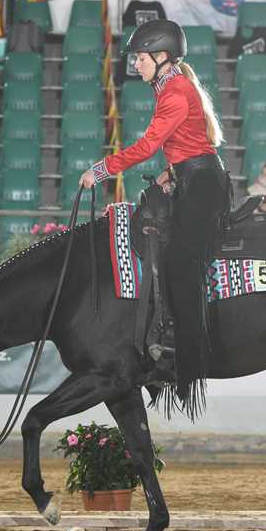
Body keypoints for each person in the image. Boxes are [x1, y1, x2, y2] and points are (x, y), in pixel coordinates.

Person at [78, 20, 230, 402]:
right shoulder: (170, 87)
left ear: (162, 57)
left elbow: (147, 146)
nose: (136, 65)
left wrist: (101, 170)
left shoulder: (175, 92)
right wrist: (171, 171)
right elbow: (185, 142)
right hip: (191, 177)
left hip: (203, 185)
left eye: (140, 59)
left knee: (181, 262)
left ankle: (186, 356)